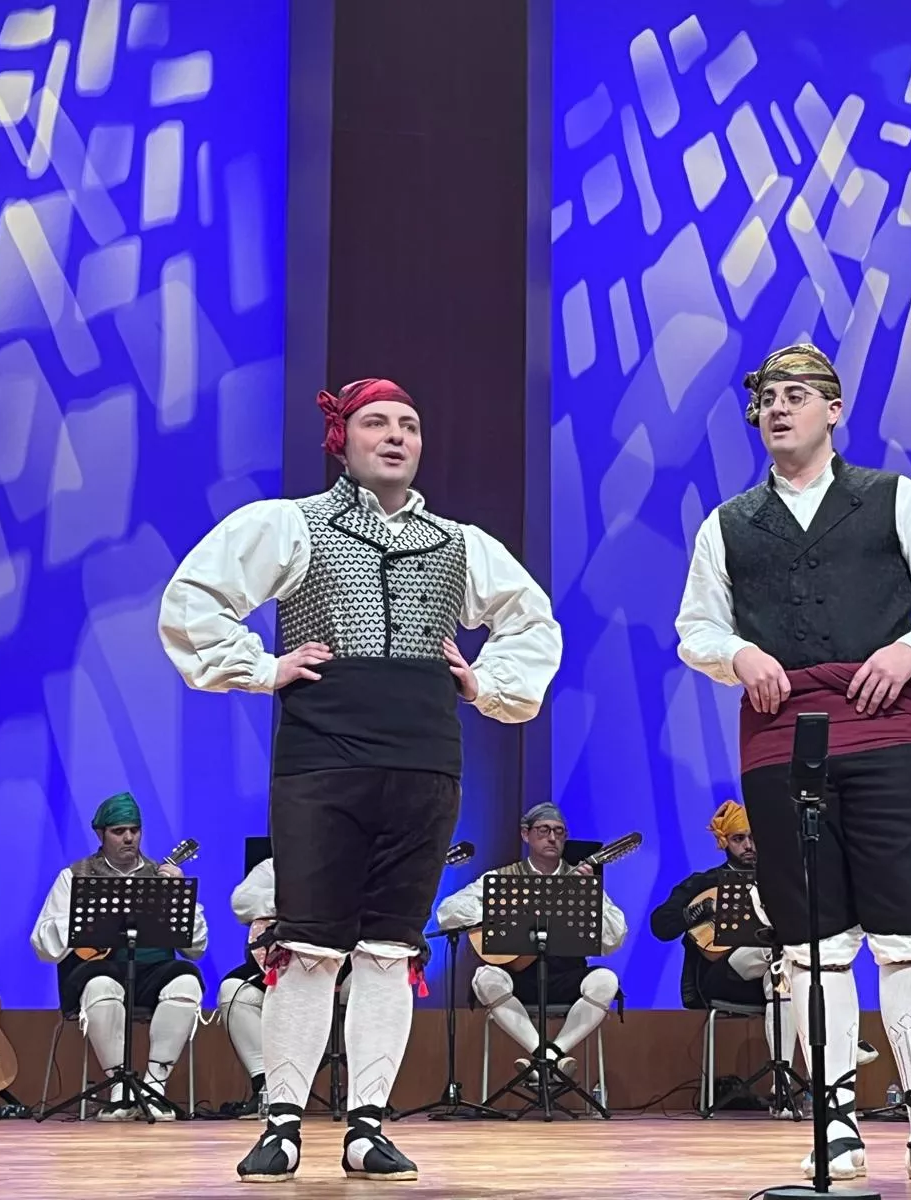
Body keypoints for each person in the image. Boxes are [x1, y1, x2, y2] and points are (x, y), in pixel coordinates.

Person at [159, 378, 561, 1183]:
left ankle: (368, 1124)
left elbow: (532, 620)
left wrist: (485, 684)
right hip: (322, 755)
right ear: (339, 438)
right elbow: (193, 597)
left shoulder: (460, 543)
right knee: (308, 945)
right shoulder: (292, 524)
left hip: (424, 758)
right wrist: (262, 667)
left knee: (386, 950)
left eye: (410, 424)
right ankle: (282, 1122)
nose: (396, 435)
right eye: (376, 422)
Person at [675, 344, 911, 1183]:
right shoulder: (729, 523)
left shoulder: (893, 499)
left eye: (797, 395)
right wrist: (739, 655)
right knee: (814, 938)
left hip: (888, 730)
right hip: (782, 738)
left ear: (833, 409)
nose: (779, 408)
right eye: (768, 398)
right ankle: (838, 1121)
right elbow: (695, 628)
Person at [30, 792, 208, 1121]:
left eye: (134, 830)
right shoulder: (75, 876)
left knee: (186, 980)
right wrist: (85, 916)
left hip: (150, 972)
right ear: (100, 834)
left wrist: (180, 895)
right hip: (95, 972)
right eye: (118, 831)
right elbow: (42, 944)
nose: (128, 837)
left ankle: (155, 1085)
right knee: (101, 985)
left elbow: (195, 946)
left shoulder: (161, 875)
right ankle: (120, 1087)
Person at [435, 803, 625, 1081]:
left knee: (606, 981)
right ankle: (546, 1056)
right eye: (544, 830)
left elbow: (614, 937)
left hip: (566, 976)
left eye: (559, 832)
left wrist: (590, 896)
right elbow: (447, 914)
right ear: (526, 835)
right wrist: (506, 912)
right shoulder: (502, 878)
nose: (552, 838)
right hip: (519, 980)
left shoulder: (581, 880)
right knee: (485, 978)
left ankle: (547, 1057)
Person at [218, 855, 276, 1117]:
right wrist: (294, 902)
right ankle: (266, 1088)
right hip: (280, 969)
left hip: (343, 970)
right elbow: (241, 903)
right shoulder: (273, 867)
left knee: (373, 986)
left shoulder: (353, 863)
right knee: (233, 991)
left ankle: (367, 1098)